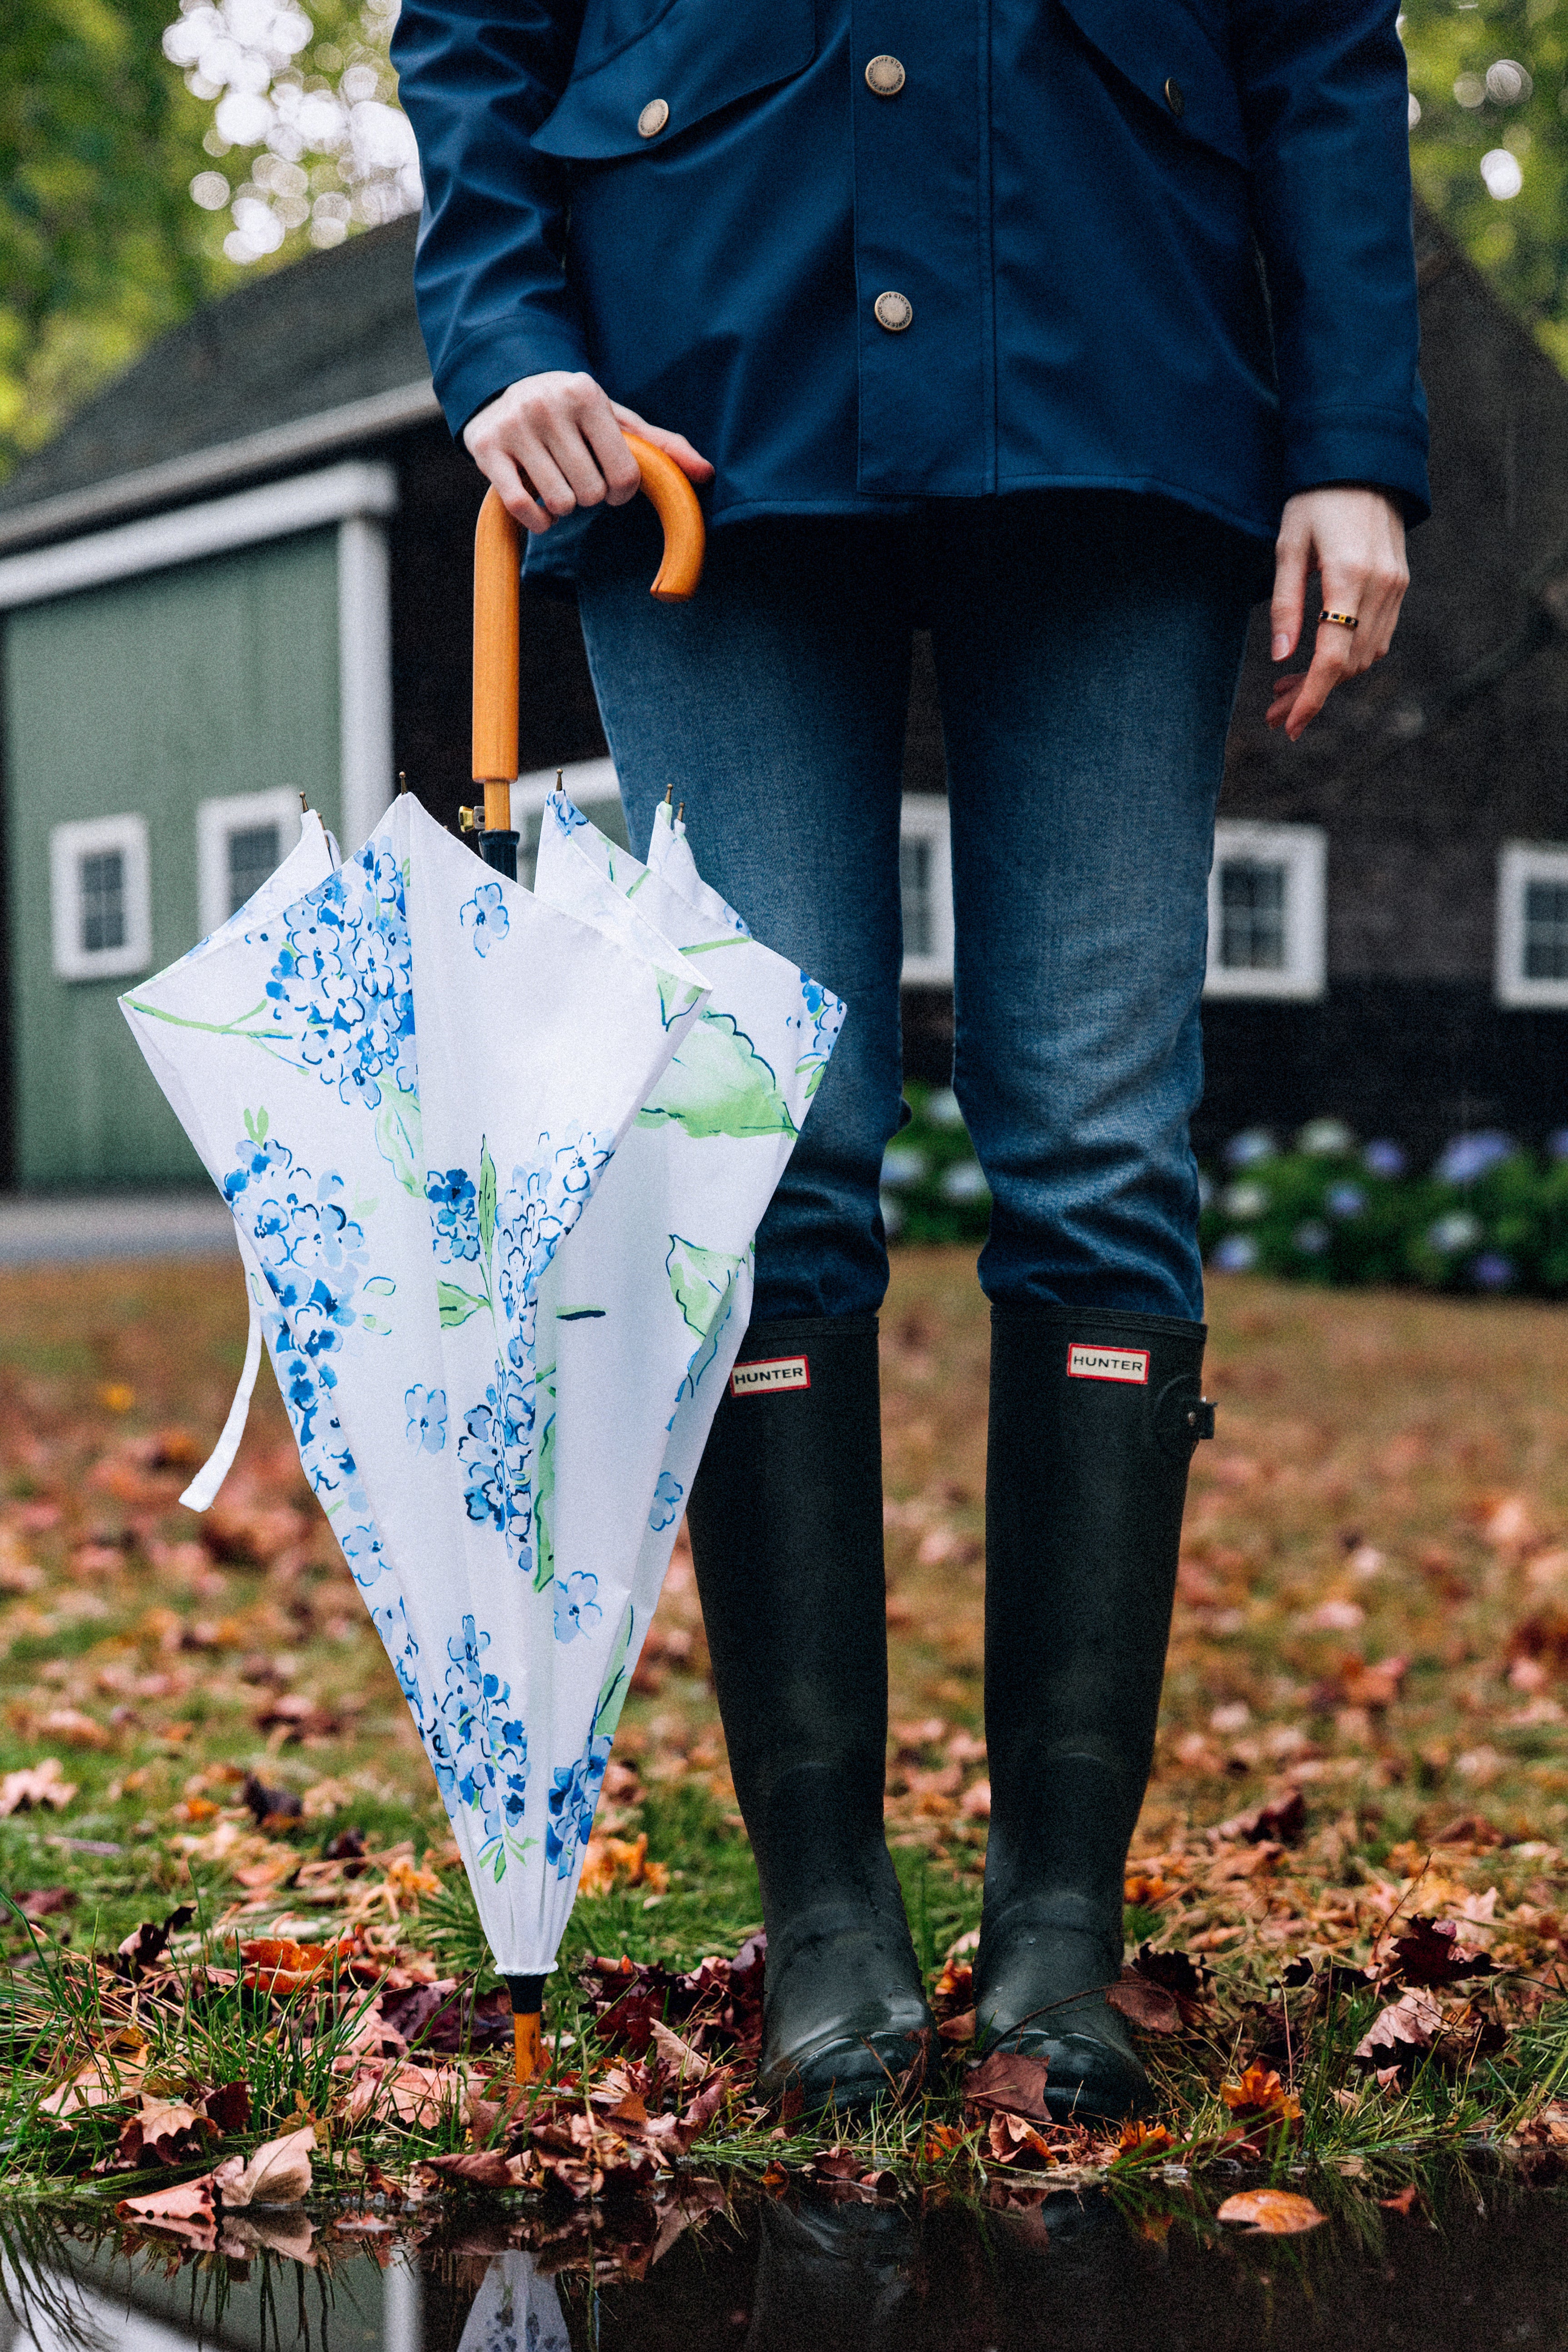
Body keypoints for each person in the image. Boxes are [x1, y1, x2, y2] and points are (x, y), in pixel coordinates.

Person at [391, 0, 1427, 2120]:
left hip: (1115, 352)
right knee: (766, 1156)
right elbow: (472, 24)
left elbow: (1321, 36)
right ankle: (830, 1919)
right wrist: (501, 333)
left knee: (1098, 1149)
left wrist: (1352, 435)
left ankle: (1059, 1919)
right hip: (700, 384)